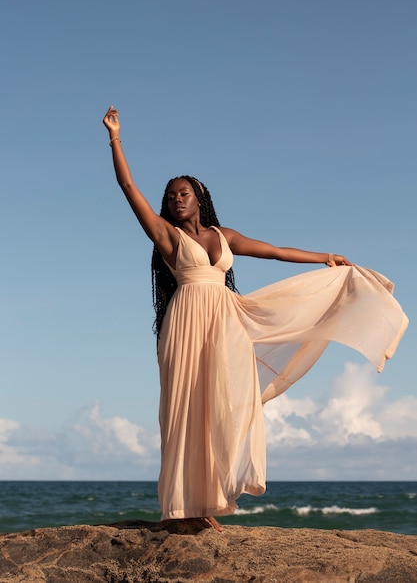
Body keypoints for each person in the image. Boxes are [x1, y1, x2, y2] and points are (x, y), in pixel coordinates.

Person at [103, 105, 408, 532]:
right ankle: (183, 508)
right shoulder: (165, 235)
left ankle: (207, 499)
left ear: (199, 197)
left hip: (224, 320)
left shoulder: (223, 236)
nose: (177, 198)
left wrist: (325, 258)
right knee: (183, 408)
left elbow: (275, 251)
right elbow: (127, 184)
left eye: (184, 192)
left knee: (222, 404)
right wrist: (115, 137)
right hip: (186, 323)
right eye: (171, 195)